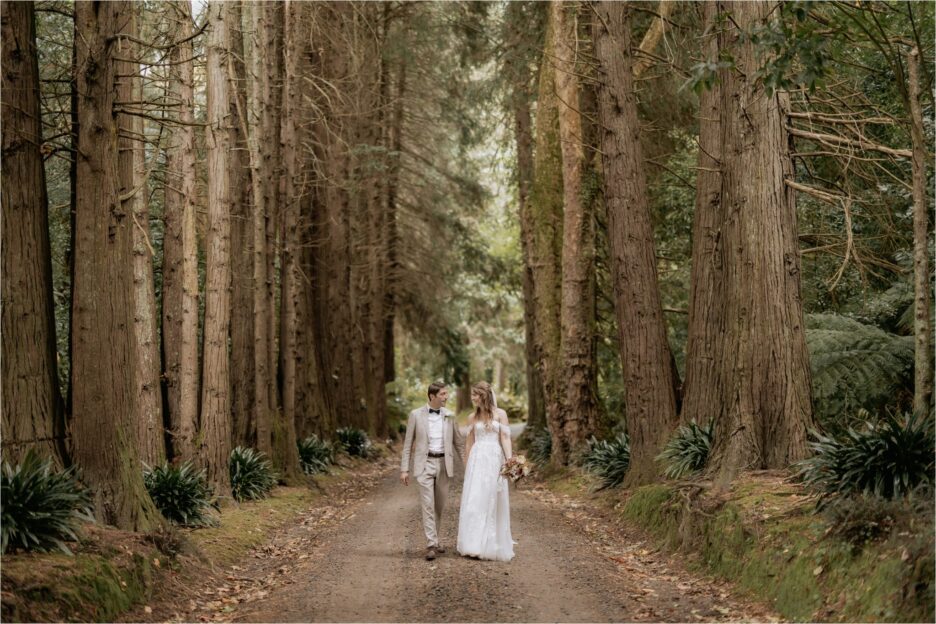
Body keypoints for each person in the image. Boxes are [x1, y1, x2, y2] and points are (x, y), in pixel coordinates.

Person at [399, 381, 466, 560]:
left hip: (444, 464)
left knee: (439, 506)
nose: (446, 397)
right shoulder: (415, 415)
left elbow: (459, 443)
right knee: (427, 504)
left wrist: (468, 465)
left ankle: (435, 540)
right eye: (443, 394)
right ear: (432, 396)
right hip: (424, 464)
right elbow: (407, 444)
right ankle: (431, 544)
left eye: (446, 394)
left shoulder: (450, 415)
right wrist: (404, 469)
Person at [456, 380, 515, 561]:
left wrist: (510, 460)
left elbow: (504, 437)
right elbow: (469, 443)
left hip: (494, 459)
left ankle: (492, 543)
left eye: (475, 394)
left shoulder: (500, 415)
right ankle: (472, 544)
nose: (472, 398)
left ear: (484, 395)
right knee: (475, 500)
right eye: (472, 395)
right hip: (477, 460)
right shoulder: (472, 417)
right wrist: (467, 467)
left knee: (493, 498)